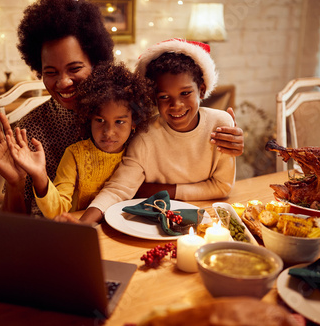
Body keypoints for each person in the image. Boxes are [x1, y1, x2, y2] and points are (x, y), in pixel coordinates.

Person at [0, 0, 244, 217]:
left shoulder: (134, 110)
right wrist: (14, 183)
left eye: (75, 68)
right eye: (51, 72)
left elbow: (185, 141)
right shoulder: (30, 130)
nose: (63, 82)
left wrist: (226, 135)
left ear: (96, 62)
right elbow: (15, 227)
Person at [79, 38, 236, 224]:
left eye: (185, 93)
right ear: (154, 98)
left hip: (209, 217)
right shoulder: (146, 137)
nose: (176, 105)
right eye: (164, 96)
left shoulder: (220, 124)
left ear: (201, 90)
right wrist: (83, 225)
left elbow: (223, 187)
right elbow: (118, 189)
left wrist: (164, 191)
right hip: (152, 223)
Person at [5, 62, 154, 219]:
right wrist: (40, 176)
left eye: (119, 122)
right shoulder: (75, 155)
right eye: (100, 120)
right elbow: (56, 212)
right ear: (88, 118)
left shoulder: (136, 151)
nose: (109, 132)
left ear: (134, 122)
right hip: (81, 228)